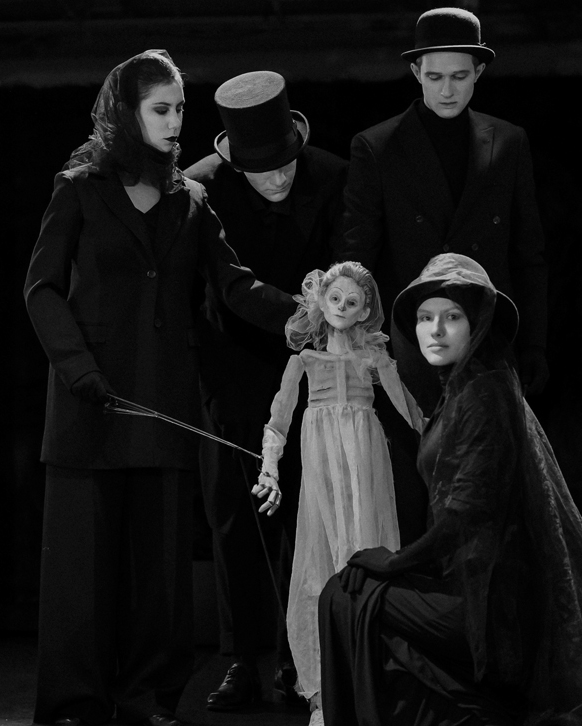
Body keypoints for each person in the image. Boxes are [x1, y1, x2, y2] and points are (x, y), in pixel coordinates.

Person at [23, 50, 297, 726]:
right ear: (127, 112)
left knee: (159, 573)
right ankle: (76, 704)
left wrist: (301, 314)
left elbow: (233, 284)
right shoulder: (79, 189)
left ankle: (147, 699)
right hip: (90, 402)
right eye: (161, 109)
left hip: (162, 401)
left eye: (179, 109)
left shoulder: (190, 200)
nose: (175, 122)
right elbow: (41, 289)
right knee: (83, 572)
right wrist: (78, 368)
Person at [316, 254, 582, 726]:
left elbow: (467, 511)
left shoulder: (485, 390)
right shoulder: (462, 389)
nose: (435, 330)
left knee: (344, 594)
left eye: (453, 316)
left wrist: (392, 562)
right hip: (469, 587)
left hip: (492, 611)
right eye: (425, 318)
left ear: (478, 324)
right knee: (351, 591)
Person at [181, 71, 370, 710]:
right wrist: (299, 312)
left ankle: (300, 659)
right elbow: (225, 282)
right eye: (263, 172)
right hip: (232, 367)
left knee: (309, 514)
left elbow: (350, 266)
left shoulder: (333, 176)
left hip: (316, 371)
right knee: (235, 516)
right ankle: (241, 657)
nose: (280, 178)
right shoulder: (201, 188)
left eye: (286, 164)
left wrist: (327, 321)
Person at [336, 7, 549, 412]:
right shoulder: (377, 147)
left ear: (478, 72)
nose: (447, 90)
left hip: (486, 337)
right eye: (435, 77)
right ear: (416, 72)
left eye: (459, 76)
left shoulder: (508, 142)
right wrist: (352, 341)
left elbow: (528, 253)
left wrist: (534, 343)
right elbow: (357, 254)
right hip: (409, 343)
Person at [249, 261, 423, 725]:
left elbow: (410, 412)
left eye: (352, 301)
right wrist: (269, 469)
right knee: (320, 560)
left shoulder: (375, 360)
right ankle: (323, 695)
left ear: (365, 310)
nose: (343, 307)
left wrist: (446, 446)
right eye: (335, 299)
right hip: (323, 463)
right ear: (320, 303)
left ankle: (370, 686)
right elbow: (278, 421)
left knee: (368, 553)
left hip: (366, 462)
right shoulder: (303, 362)